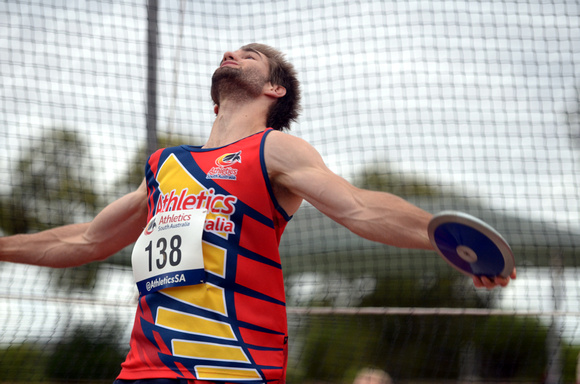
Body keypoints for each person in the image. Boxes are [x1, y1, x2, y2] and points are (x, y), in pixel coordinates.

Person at [0, 43, 516, 384]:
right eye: (230, 51)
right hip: (144, 371)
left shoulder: (275, 150)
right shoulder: (166, 166)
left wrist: (445, 238)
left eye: (248, 55)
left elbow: (358, 207)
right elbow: (86, 241)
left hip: (233, 367)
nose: (231, 53)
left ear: (275, 89)